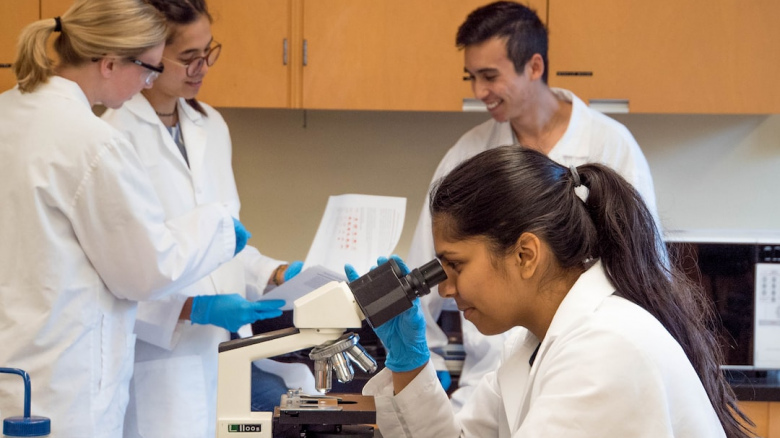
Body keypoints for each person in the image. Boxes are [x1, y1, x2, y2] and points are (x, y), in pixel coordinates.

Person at [352, 145, 751, 437]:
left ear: (525, 255)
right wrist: (409, 365)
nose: (444, 288)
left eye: (455, 265)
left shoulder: (605, 352)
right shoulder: (530, 347)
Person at [0, 0, 255, 436]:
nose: (148, 82)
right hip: (63, 388)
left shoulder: (10, 113)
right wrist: (218, 229)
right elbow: (146, 272)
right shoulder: (94, 141)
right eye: (148, 69)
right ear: (109, 63)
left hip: (19, 369)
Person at [405, 0, 660, 409]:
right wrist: (423, 360)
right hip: (487, 381)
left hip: (581, 367)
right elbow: (431, 266)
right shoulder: (468, 153)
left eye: (490, 76)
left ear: (534, 66)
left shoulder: (611, 146)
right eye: (472, 77)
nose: (479, 92)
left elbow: (643, 268)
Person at [99, 1, 310, 436]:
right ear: (151, 53)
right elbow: (112, 282)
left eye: (208, 52)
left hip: (227, 357)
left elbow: (223, 245)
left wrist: (274, 273)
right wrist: (193, 310)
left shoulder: (210, 125)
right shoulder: (112, 137)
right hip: (161, 367)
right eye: (189, 57)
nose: (203, 68)